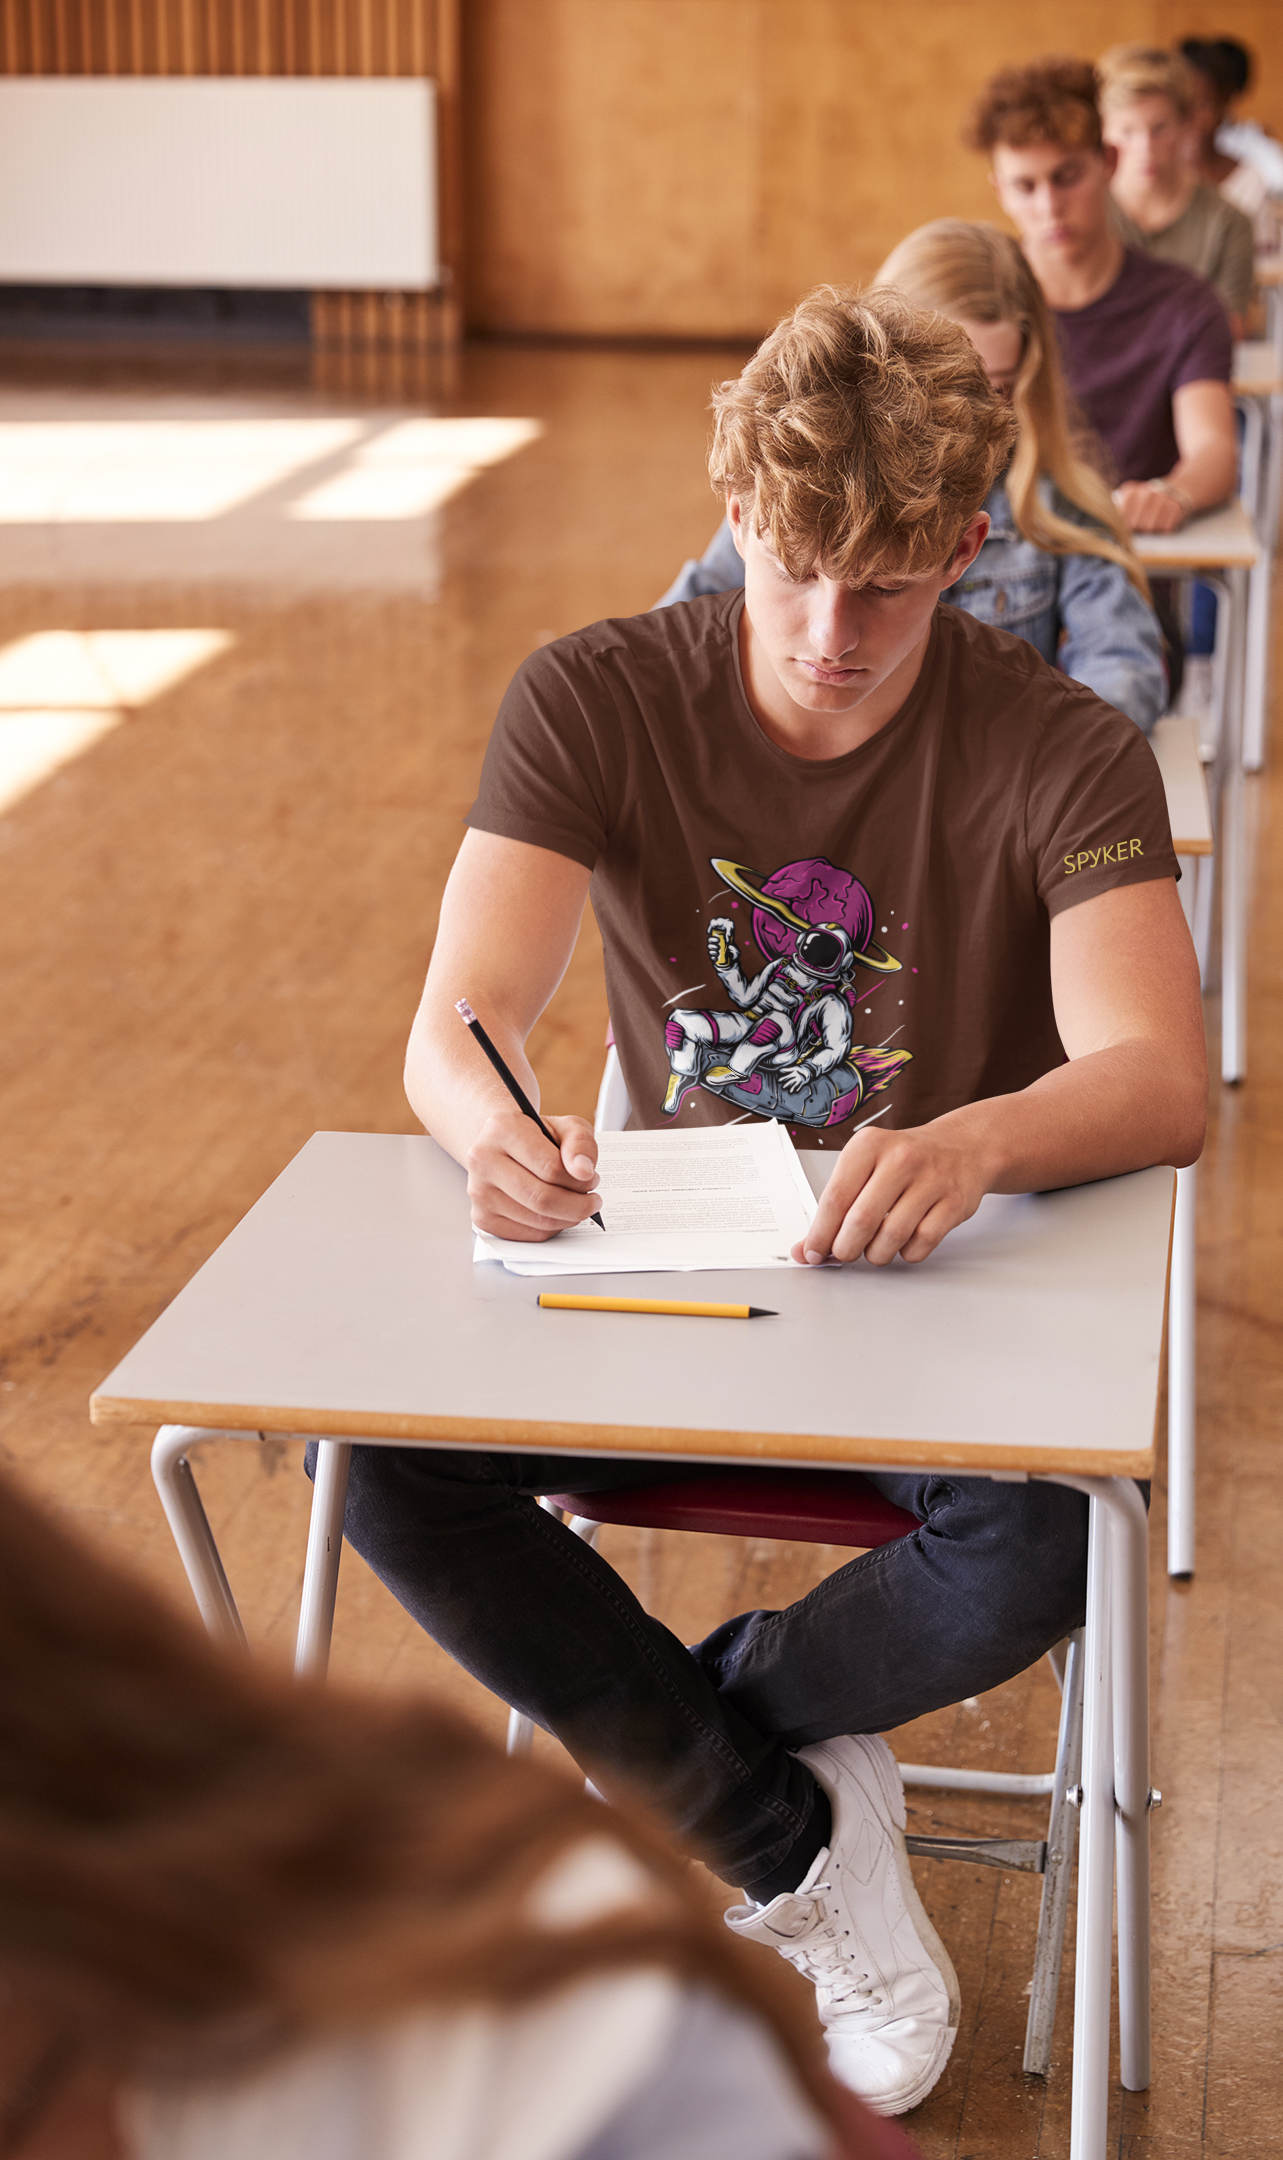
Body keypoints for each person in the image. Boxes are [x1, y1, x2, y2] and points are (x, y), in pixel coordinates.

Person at [339, 287, 1207, 2119]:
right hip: (674, 1275)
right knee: (383, 1466)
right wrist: (479, 1121)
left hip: (928, 1297)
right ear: (735, 513)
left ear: (967, 550)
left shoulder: (1061, 743)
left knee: (1044, 1542)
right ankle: (789, 1833)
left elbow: (1157, 1078)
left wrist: (976, 1139)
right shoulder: (595, 689)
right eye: (797, 567)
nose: (830, 631)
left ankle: (714, 1729)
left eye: (889, 585)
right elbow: (456, 1024)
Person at [0, 1462, 910, 2160]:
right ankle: (762, 1811)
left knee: (1029, 1545)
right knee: (371, 1468)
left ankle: (703, 1780)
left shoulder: (549, 2067)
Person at [660, 220, 1166, 731]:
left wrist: (1018, 761)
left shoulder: (1053, 502)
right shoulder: (804, 485)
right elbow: (674, 642)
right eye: (939, 387)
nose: (966, 420)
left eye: (992, 390)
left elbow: (1123, 669)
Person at [969, 56, 1236, 537]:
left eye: (1067, 177)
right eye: (1026, 186)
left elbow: (1213, 449)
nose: (1049, 207)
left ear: (1108, 163)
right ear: (1000, 192)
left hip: (1131, 556)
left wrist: (1172, 493)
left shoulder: (1185, 306)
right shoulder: (975, 305)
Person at [1097, 43, 1254, 332]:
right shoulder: (1083, 209)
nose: (1145, 149)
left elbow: (1225, 333)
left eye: (1160, 129)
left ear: (1187, 123)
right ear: (1103, 130)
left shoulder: (1229, 224)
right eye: (1127, 131)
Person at [1179, 34, 1283, 247]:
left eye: (1204, 105)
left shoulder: (1255, 154)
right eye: (1185, 104)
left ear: (1226, 99)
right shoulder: (1158, 157)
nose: (1193, 117)